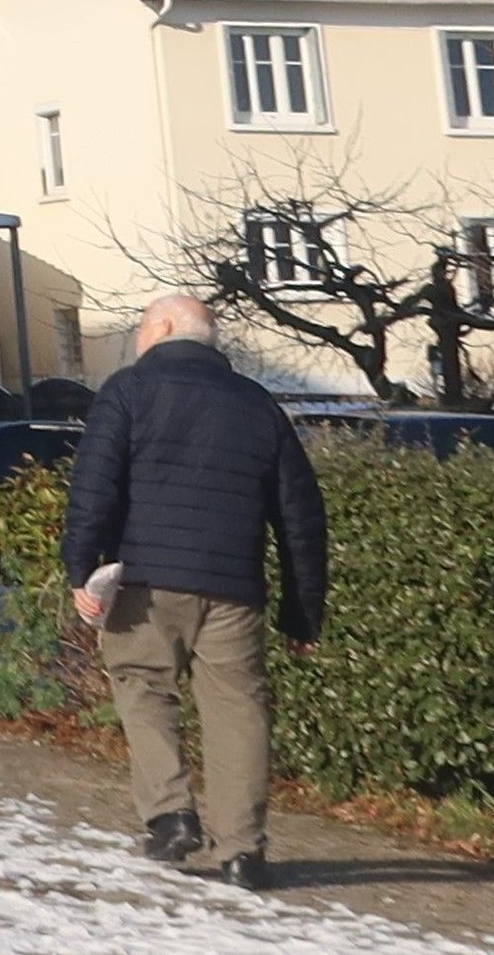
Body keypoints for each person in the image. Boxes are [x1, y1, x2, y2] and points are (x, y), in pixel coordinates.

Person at [62, 290, 330, 888]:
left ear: (160, 328)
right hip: (235, 587)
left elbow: (93, 490)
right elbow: (300, 516)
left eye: (140, 328)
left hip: (149, 583)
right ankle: (243, 851)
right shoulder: (258, 405)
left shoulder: (127, 393)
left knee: (142, 686)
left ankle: (171, 815)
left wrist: (81, 569)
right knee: (239, 712)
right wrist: (302, 613)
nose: (137, 339)